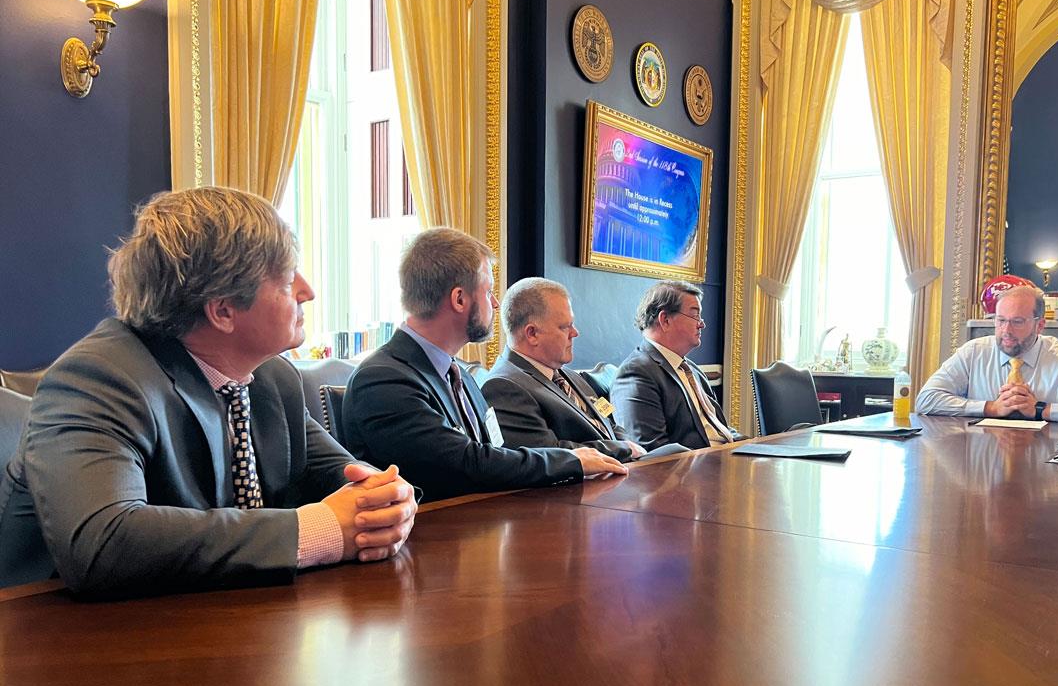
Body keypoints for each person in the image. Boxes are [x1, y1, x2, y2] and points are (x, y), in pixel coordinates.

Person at [0, 187, 417, 596]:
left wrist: (386, 500)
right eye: (289, 279)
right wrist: (317, 531)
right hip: (70, 642)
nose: (307, 291)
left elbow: (349, 483)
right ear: (222, 311)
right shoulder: (97, 378)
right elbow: (103, 543)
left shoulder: (272, 378)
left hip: (223, 627)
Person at [342, 228, 627, 503]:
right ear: (459, 299)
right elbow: (466, 463)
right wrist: (572, 461)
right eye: (488, 290)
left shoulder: (460, 376)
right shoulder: (383, 379)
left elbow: (498, 449)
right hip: (426, 542)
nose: (494, 303)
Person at [915, 285, 1058, 424]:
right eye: (1000, 321)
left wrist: (1041, 410)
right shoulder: (974, 352)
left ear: (1040, 325)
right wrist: (990, 407)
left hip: (1045, 466)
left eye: (1017, 322)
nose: (1006, 331)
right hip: (981, 459)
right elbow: (926, 399)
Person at [482, 277, 645, 461]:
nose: (575, 333)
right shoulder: (504, 386)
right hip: (580, 486)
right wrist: (622, 448)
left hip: (623, 472)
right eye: (565, 327)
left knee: (676, 452)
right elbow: (549, 455)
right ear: (532, 333)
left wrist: (629, 445)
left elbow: (608, 420)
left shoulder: (569, 376)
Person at [610, 280, 746, 450]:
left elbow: (718, 430)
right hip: (695, 472)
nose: (702, 324)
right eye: (695, 315)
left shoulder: (692, 370)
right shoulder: (636, 372)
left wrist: (754, 444)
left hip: (724, 461)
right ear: (665, 319)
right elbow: (651, 452)